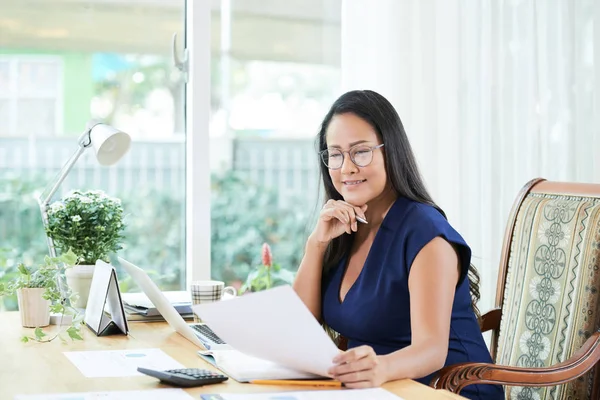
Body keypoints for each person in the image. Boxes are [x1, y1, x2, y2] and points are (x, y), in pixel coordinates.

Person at [292, 90, 504, 400]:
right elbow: (299, 328)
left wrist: (380, 368)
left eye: (360, 152)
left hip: (449, 390)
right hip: (378, 390)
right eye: (334, 154)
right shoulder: (347, 228)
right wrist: (316, 244)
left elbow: (431, 350)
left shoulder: (426, 233)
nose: (346, 167)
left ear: (391, 152)